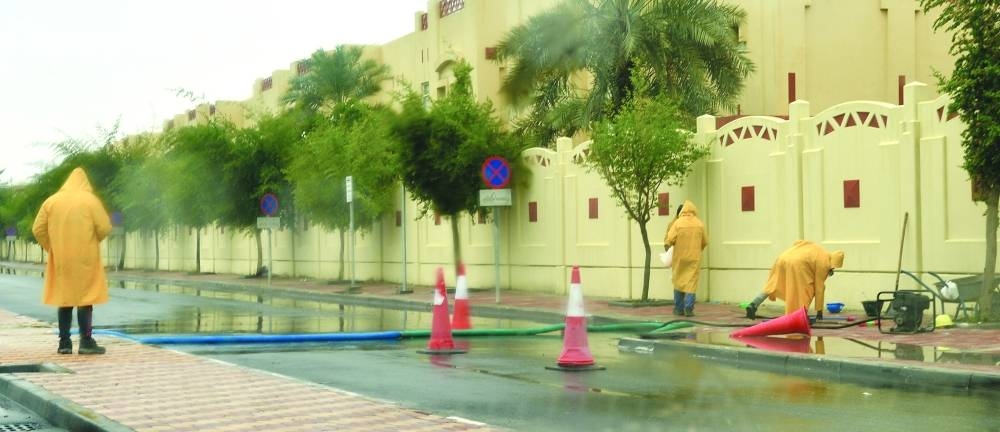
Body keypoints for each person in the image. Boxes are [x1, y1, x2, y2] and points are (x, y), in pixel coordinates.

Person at [32, 167, 112, 355]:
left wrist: (52, 247)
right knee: (86, 299)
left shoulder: (51, 202)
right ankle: (86, 342)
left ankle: (64, 343)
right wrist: (93, 241)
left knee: (65, 299)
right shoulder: (90, 200)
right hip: (86, 257)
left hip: (61, 258)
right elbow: (105, 227)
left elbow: (38, 229)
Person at [744, 240, 845, 320]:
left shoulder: (819, 250)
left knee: (772, 284)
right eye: (833, 267)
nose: (832, 269)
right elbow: (819, 288)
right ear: (833, 262)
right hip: (797, 264)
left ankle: (753, 304)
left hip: (782, 259)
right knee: (806, 290)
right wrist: (819, 312)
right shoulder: (825, 262)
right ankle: (800, 315)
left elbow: (799, 242)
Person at [664, 200, 708, 317]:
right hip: (694, 258)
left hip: (680, 257)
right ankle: (689, 307)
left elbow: (669, 239)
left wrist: (669, 247)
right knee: (691, 282)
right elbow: (705, 241)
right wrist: (697, 249)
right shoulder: (699, 223)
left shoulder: (678, 223)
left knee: (678, 281)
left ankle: (678, 308)